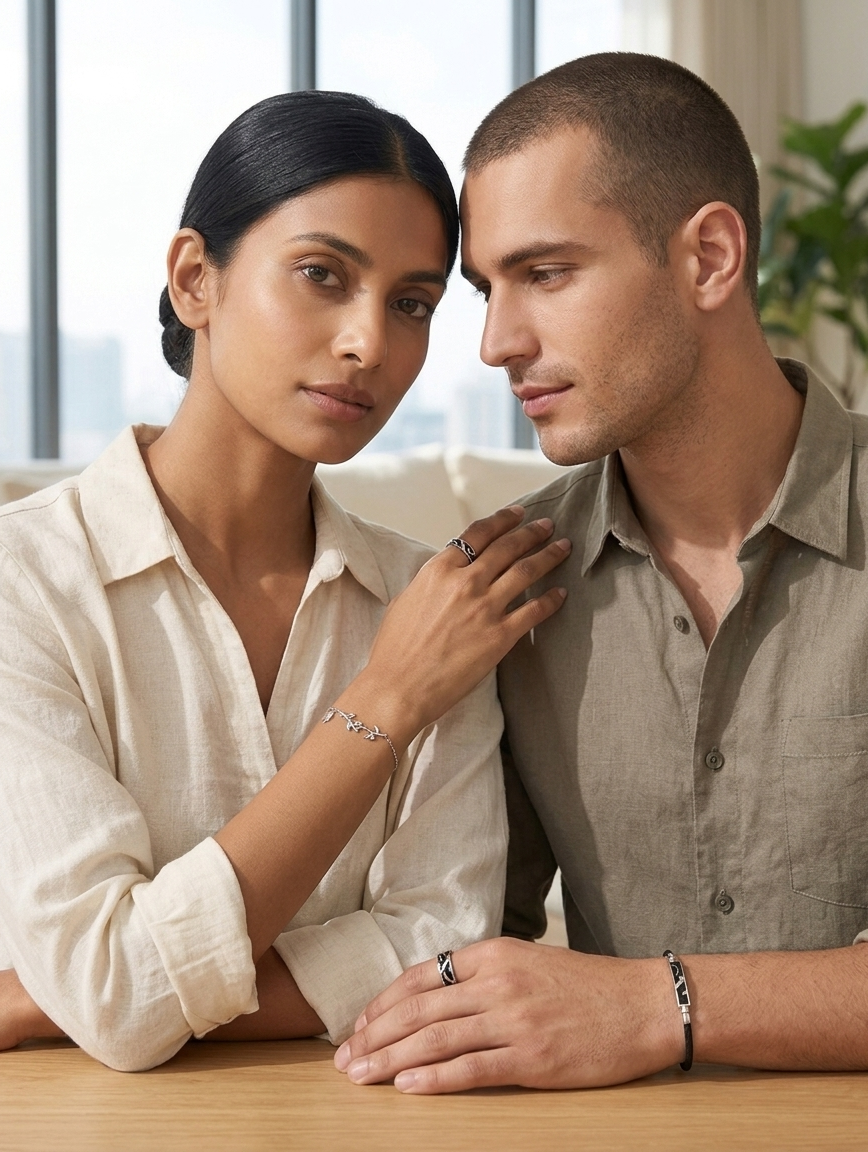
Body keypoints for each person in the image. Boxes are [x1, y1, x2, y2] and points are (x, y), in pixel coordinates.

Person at [334, 53, 868, 1092]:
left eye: (546, 274)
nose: (496, 342)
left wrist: (659, 1005)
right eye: (486, 290)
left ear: (709, 258)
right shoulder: (507, 587)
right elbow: (451, 930)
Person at [0, 91, 570, 1071]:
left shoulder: (431, 602)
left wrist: (51, 1000)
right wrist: (385, 699)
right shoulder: (26, 583)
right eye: (321, 275)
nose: (368, 344)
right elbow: (115, 993)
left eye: (412, 304)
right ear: (195, 280)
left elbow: (441, 940)